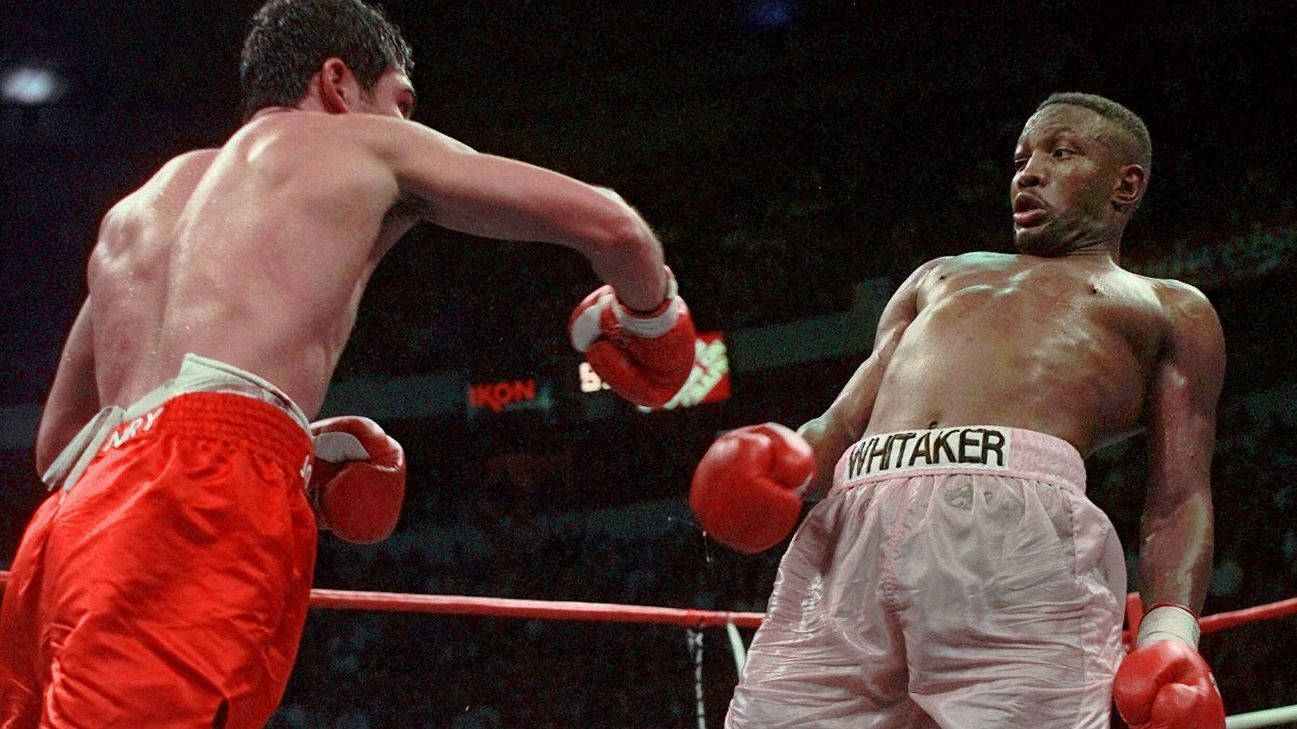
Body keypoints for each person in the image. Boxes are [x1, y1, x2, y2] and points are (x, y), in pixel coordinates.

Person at [0, 0, 696, 727]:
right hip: (197, 495)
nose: (403, 123)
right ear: (337, 81)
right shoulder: (359, 145)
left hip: (66, 529)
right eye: (401, 102)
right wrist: (653, 319)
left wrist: (287, 444)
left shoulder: (135, 210)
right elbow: (609, 222)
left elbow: (61, 449)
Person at [691, 92, 1226, 728]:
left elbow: (1178, 496)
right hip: (853, 524)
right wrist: (781, 469)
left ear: (1125, 184)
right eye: (1022, 157)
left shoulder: (1164, 305)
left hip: (1016, 535)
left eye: (1062, 152)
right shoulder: (939, 275)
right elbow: (840, 425)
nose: (1028, 172)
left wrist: (1171, 636)